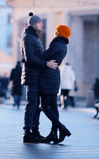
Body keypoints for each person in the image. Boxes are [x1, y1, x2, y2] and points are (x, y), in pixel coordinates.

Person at [21, 12, 58, 144]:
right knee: (31, 105)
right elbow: (29, 58)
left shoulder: (35, 37)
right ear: (33, 24)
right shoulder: (28, 38)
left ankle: (35, 133)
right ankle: (27, 133)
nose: (42, 24)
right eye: (39, 22)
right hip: (31, 77)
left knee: (36, 106)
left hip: (37, 76)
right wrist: (46, 63)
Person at [39, 25, 72, 144]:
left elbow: (43, 56)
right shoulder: (63, 46)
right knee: (53, 106)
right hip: (55, 76)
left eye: (56, 31)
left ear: (59, 33)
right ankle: (53, 133)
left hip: (48, 76)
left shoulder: (56, 44)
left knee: (45, 106)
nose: (54, 33)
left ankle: (62, 129)